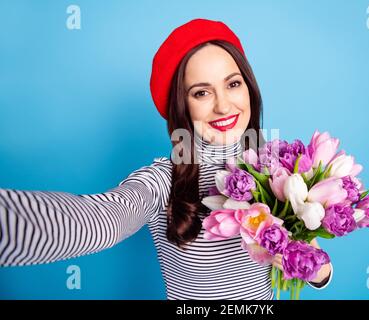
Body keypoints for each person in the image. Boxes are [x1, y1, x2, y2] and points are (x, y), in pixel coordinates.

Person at [0, 18, 332, 300]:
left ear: (249, 88)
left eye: (232, 84)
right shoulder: (162, 180)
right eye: (201, 92)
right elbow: (100, 220)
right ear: (181, 106)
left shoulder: (280, 169)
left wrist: (311, 263)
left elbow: (320, 273)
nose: (223, 105)